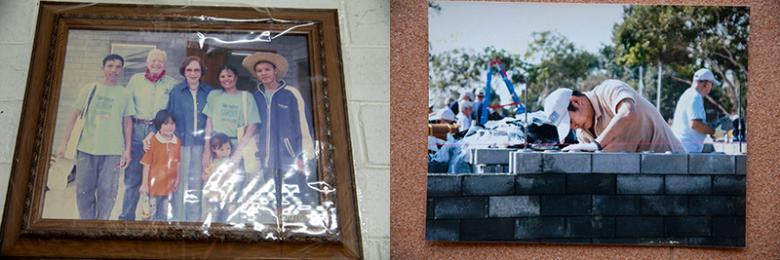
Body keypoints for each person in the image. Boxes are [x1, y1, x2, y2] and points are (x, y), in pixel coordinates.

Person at [55, 54, 134, 220]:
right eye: (110, 66)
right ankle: (87, 223)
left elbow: (127, 123)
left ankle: (101, 224)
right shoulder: (89, 89)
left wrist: (127, 150)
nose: (114, 70)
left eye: (118, 67)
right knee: (84, 189)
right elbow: (74, 117)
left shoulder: (125, 94)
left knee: (108, 190)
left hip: (112, 151)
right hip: (86, 148)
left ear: (122, 70)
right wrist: (64, 142)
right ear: (103, 68)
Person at [242, 52, 316, 220]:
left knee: (293, 199)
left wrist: (302, 156)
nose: (263, 73)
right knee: (272, 200)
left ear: (275, 71)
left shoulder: (291, 93)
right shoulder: (255, 97)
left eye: (267, 69)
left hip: (290, 157)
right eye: (259, 70)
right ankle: (277, 229)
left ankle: (293, 228)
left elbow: (304, 125)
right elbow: (252, 127)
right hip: (266, 158)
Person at [543, 79, 685, 153]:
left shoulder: (609, 90)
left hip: (675, 168)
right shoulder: (584, 134)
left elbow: (628, 113)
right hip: (643, 182)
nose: (573, 127)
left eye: (571, 121)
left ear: (575, 101)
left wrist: (597, 144)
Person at [120, 49, 178, 221]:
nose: (156, 63)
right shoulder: (136, 80)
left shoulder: (171, 84)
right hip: (137, 130)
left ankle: (154, 219)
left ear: (165, 64)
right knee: (133, 179)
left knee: (156, 178)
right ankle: (126, 218)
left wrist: (155, 131)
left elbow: (170, 112)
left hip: (159, 133)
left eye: (160, 60)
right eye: (153, 60)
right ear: (147, 62)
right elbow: (127, 110)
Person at [164, 56, 213, 221]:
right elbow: (169, 117)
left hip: (201, 146)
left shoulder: (209, 92)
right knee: (179, 184)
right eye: (189, 70)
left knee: (197, 185)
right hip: (180, 145)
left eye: (196, 70)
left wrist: (208, 148)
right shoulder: (176, 91)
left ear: (202, 72)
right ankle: (178, 220)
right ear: (184, 72)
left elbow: (212, 119)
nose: (193, 73)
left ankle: (193, 221)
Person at [671, 68, 730, 153]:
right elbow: (695, 124)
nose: (711, 88)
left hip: (682, 148)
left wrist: (710, 126)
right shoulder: (695, 97)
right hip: (688, 150)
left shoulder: (688, 94)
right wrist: (715, 132)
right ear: (706, 84)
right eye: (711, 84)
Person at [139, 110, 180, 221]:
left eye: (172, 124)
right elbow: (146, 164)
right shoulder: (153, 141)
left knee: (164, 216)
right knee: (150, 216)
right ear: (158, 125)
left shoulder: (177, 142)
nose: (169, 127)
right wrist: (144, 184)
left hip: (168, 188)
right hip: (153, 189)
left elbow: (178, 163)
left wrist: (177, 179)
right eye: (165, 124)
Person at [201, 133, 240, 223]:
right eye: (221, 149)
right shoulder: (213, 163)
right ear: (214, 149)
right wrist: (206, 176)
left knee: (226, 215)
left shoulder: (231, 163)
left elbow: (235, 175)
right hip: (214, 194)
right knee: (213, 214)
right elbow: (206, 175)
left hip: (227, 195)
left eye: (228, 149)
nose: (225, 152)